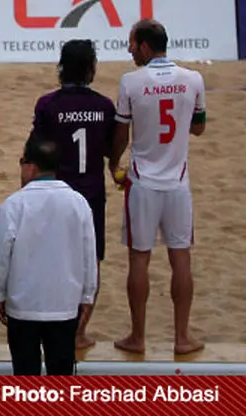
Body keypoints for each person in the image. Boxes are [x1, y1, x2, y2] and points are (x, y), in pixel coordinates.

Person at [109, 19, 206, 356]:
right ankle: (182, 336)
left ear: (146, 47)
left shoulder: (131, 82)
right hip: (178, 181)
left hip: (143, 183)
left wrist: (112, 162)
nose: (129, 49)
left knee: (139, 259)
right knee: (181, 258)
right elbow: (199, 127)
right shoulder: (193, 78)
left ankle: (138, 336)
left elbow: (121, 134)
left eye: (132, 44)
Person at [29, 38, 115, 350]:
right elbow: (111, 149)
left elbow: (34, 151)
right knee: (90, 262)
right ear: (91, 68)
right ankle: (78, 332)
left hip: (56, 193)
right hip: (90, 192)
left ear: (62, 67)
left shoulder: (48, 104)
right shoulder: (105, 106)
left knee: (53, 257)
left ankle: (54, 325)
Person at [0, 138, 97, 376]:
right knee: (61, 376)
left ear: (32, 167)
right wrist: (87, 295)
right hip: (64, 305)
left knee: (25, 376)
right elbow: (89, 254)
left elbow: (1, 255)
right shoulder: (78, 203)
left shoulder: (15, 204)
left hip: (23, 307)